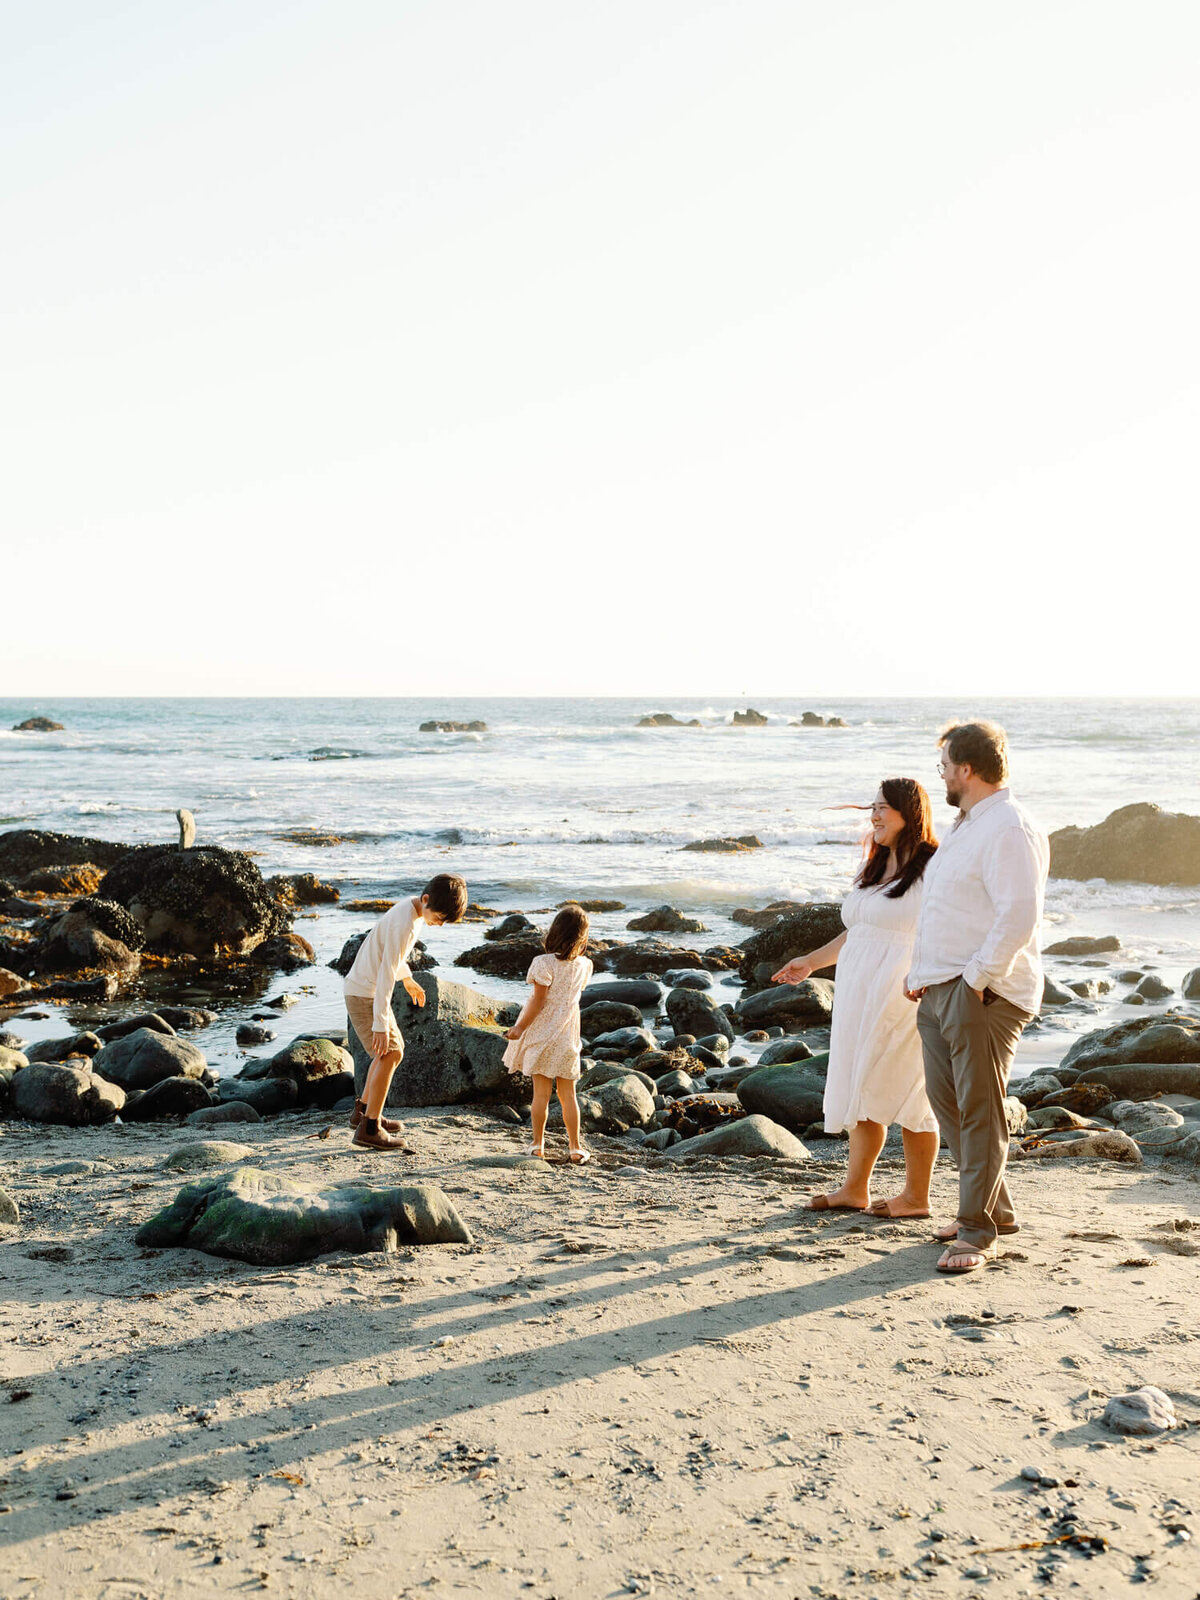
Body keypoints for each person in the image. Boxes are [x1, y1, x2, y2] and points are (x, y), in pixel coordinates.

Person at [905, 721, 1049, 1274]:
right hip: (941, 986)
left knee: (979, 1112)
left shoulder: (1010, 827)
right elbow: (947, 908)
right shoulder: (968, 826)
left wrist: (974, 981)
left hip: (983, 992)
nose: (939, 774)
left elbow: (1020, 915)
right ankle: (998, 1208)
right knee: (950, 1107)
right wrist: (922, 971)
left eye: (943, 765)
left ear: (966, 769)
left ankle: (976, 1230)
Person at [773, 778, 940, 1216]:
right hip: (859, 991)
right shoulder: (877, 865)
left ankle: (917, 1197)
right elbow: (860, 930)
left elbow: (948, 930)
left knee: (909, 1090)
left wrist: (931, 978)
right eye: (873, 806)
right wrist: (810, 961)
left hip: (905, 991)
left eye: (883, 807)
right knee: (862, 1084)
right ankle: (854, 1189)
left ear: (910, 813)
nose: (874, 815)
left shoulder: (935, 867)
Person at [343, 872, 469, 1150]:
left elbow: (391, 956)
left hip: (364, 990)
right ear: (425, 899)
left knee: (390, 1051)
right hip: (365, 993)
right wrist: (379, 1021)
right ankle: (369, 1128)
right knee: (391, 1053)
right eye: (440, 917)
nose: (440, 924)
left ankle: (363, 1113)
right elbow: (387, 971)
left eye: (445, 921)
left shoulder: (409, 911)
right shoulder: (406, 924)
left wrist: (408, 978)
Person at [504, 903, 594, 1163]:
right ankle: (575, 1148)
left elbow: (538, 1001)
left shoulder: (542, 963)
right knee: (568, 1096)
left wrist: (519, 1028)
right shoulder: (585, 965)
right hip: (568, 1037)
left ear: (554, 932)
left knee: (541, 1095)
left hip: (543, 1034)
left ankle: (537, 1144)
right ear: (582, 938)